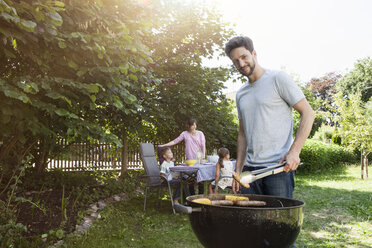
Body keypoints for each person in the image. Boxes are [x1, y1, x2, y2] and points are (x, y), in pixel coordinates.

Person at [225, 36, 315, 199]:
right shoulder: (241, 94)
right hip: (249, 172)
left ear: (254, 53)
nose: (241, 64)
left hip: (277, 170)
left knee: (279, 223)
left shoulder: (278, 78)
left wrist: (294, 152)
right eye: (236, 61)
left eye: (244, 57)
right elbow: (242, 134)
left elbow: (308, 113)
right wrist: (238, 170)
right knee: (250, 222)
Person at [158, 119, 206, 194]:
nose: (194, 126)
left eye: (194, 125)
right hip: (190, 159)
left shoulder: (200, 133)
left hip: (199, 158)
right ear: (189, 126)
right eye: (192, 125)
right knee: (190, 178)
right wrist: (164, 145)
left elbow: (203, 145)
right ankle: (191, 197)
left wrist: (203, 156)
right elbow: (175, 141)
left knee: (200, 177)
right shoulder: (185, 134)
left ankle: (201, 195)